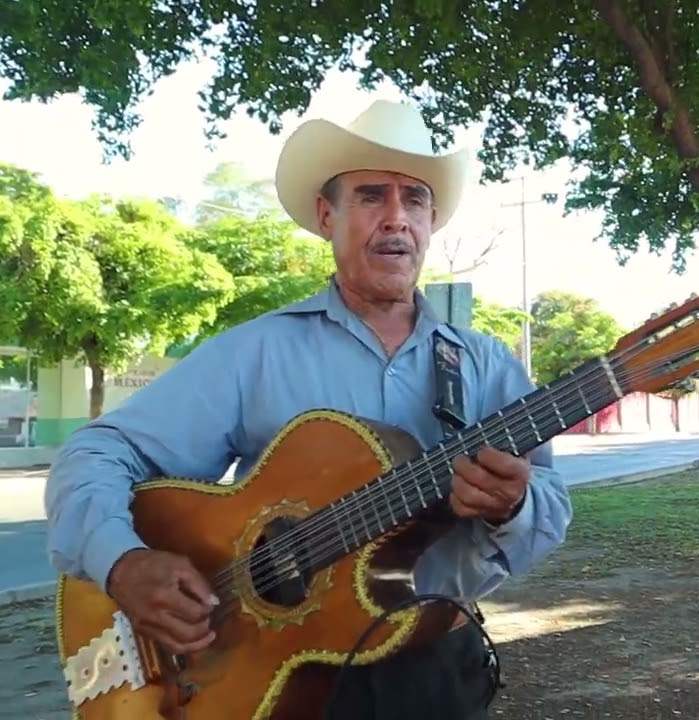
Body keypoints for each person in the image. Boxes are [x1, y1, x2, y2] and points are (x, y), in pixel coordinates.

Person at [43, 99, 574, 719]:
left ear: (430, 222)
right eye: (371, 196)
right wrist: (122, 561)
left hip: (436, 672)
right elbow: (97, 452)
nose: (396, 218)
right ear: (327, 215)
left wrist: (515, 503)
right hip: (273, 678)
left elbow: (549, 507)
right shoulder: (257, 352)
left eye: (415, 200)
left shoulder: (484, 364)